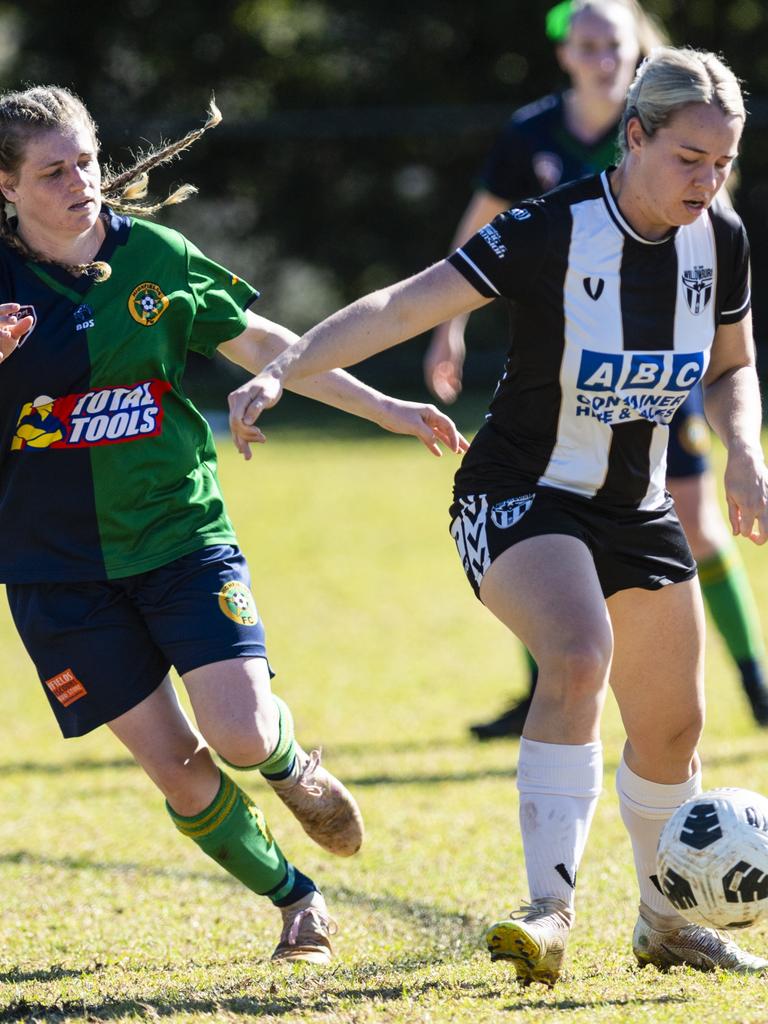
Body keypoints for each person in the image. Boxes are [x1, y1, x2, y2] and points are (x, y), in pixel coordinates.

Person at [228, 48, 768, 984]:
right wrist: (286, 366)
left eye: (721, 163)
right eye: (688, 158)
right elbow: (406, 300)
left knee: (674, 728)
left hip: (633, 505)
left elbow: (730, 368)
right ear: (634, 136)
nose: (706, 180)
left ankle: (666, 924)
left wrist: (745, 451)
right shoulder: (553, 227)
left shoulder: (718, 239)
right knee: (576, 651)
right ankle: (549, 911)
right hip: (517, 490)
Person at [0, 85, 466, 966]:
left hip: (179, 535)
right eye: (52, 171)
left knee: (245, 732)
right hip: (54, 570)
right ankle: (297, 901)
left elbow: (261, 343)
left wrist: (380, 408)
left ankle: (294, 768)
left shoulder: (157, 259)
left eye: (87, 162)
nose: (80, 183)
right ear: (7, 186)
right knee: (176, 767)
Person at [422, 0, 768, 739]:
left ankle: (754, 679)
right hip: (570, 371)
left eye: (614, 43)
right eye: (587, 45)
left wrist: (744, 444)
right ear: (566, 54)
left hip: (658, 371)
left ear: (633, 46)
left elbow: (712, 246)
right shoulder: (533, 134)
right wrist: (447, 325)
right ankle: (550, 677)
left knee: (699, 526)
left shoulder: (690, 121)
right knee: (549, 524)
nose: (602, 58)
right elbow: (480, 233)